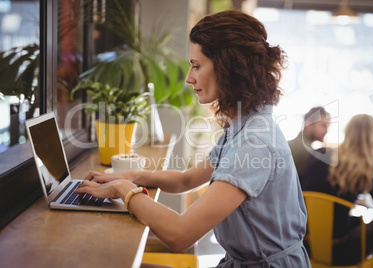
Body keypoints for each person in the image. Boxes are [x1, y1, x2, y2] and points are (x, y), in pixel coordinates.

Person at [75, 10, 310, 267]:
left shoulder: (254, 143)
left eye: (196, 66)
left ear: (228, 68)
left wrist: (123, 190)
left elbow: (180, 234)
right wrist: (133, 176)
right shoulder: (244, 127)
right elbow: (187, 179)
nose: (189, 78)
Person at [303, 114, 373, 267]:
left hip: (305, 244)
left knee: (353, 220)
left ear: (348, 131)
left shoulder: (320, 153)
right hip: (339, 251)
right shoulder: (367, 166)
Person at [288, 106, 330, 185]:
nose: (327, 130)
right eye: (323, 126)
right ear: (308, 124)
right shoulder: (306, 151)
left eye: (328, 126)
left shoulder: (293, 143)